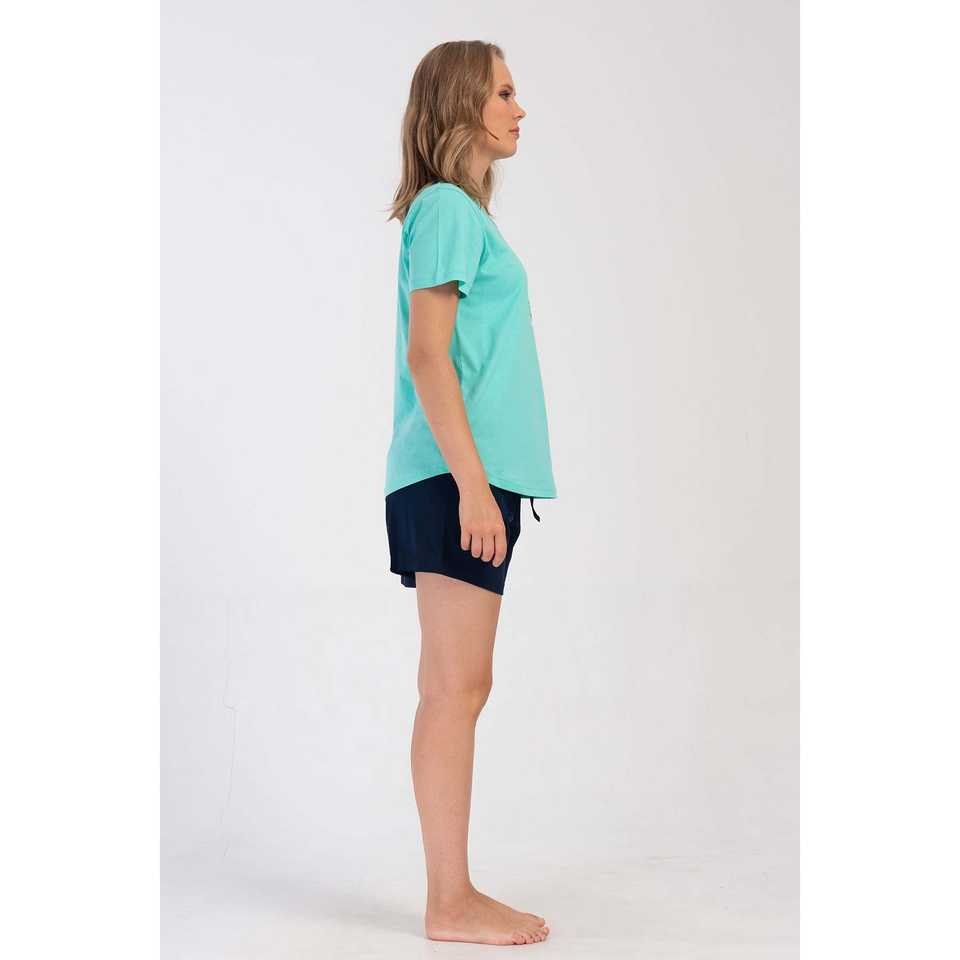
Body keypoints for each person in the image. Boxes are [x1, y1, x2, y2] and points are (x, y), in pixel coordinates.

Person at [383, 41, 557, 946]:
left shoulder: (457, 214)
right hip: (457, 482)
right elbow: (428, 355)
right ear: (461, 104)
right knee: (455, 688)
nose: (519, 108)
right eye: (503, 91)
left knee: (455, 686)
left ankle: (450, 896)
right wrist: (474, 488)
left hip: (462, 480)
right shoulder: (449, 208)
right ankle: (449, 902)